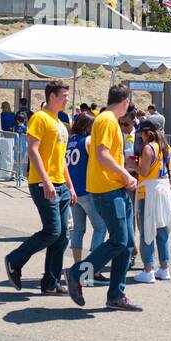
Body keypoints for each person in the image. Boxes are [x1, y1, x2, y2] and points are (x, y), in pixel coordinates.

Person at [63, 84, 142, 312]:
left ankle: (116, 294)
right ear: (126, 102)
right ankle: (76, 273)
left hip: (113, 188)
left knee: (126, 245)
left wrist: (126, 167)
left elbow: (105, 156)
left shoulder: (105, 120)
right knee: (118, 241)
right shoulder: (108, 120)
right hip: (108, 189)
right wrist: (126, 173)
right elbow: (102, 154)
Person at [4, 81, 74, 295]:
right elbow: (33, 150)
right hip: (43, 182)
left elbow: (61, 159)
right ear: (52, 96)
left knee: (62, 236)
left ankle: (50, 282)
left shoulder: (60, 122)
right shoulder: (39, 118)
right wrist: (45, 180)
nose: (66, 99)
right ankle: (14, 260)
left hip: (60, 184)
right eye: (63, 95)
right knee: (52, 231)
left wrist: (70, 186)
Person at [133, 116, 171, 283]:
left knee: (147, 230)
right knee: (163, 230)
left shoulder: (149, 148)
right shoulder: (168, 148)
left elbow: (143, 172)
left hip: (149, 191)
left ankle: (148, 269)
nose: (140, 136)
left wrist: (131, 166)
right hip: (164, 190)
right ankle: (164, 268)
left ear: (147, 133)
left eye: (141, 133)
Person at [65, 112, 97, 270]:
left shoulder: (69, 140)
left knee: (78, 228)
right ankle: (93, 267)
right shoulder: (88, 140)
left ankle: (77, 264)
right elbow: (97, 162)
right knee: (100, 226)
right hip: (86, 188)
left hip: (72, 189)